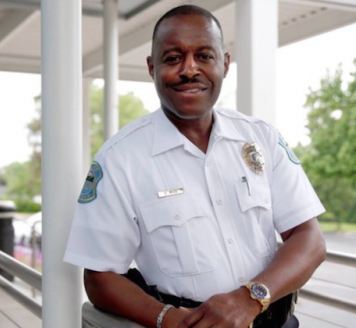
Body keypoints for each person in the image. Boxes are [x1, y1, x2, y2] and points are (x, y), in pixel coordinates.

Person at [64, 4, 326, 328]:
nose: (189, 69)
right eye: (173, 58)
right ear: (151, 67)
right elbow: (100, 276)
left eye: (204, 56)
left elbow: (309, 238)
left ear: (225, 64)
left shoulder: (261, 139)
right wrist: (169, 320)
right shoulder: (120, 159)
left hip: (276, 320)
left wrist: (250, 298)